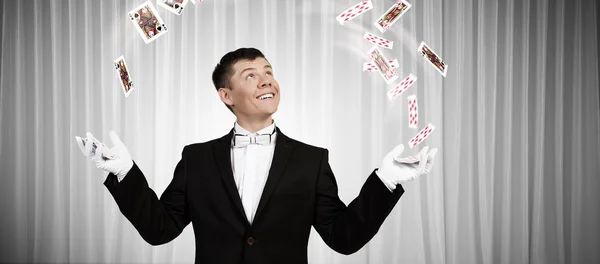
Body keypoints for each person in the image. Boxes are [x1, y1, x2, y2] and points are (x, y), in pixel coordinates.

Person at [75, 47, 438, 264]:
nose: (266, 81)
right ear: (226, 95)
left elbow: (342, 238)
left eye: (269, 72)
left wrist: (385, 181)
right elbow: (160, 230)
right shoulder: (197, 159)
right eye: (250, 76)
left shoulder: (312, 161)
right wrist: (125, 173)